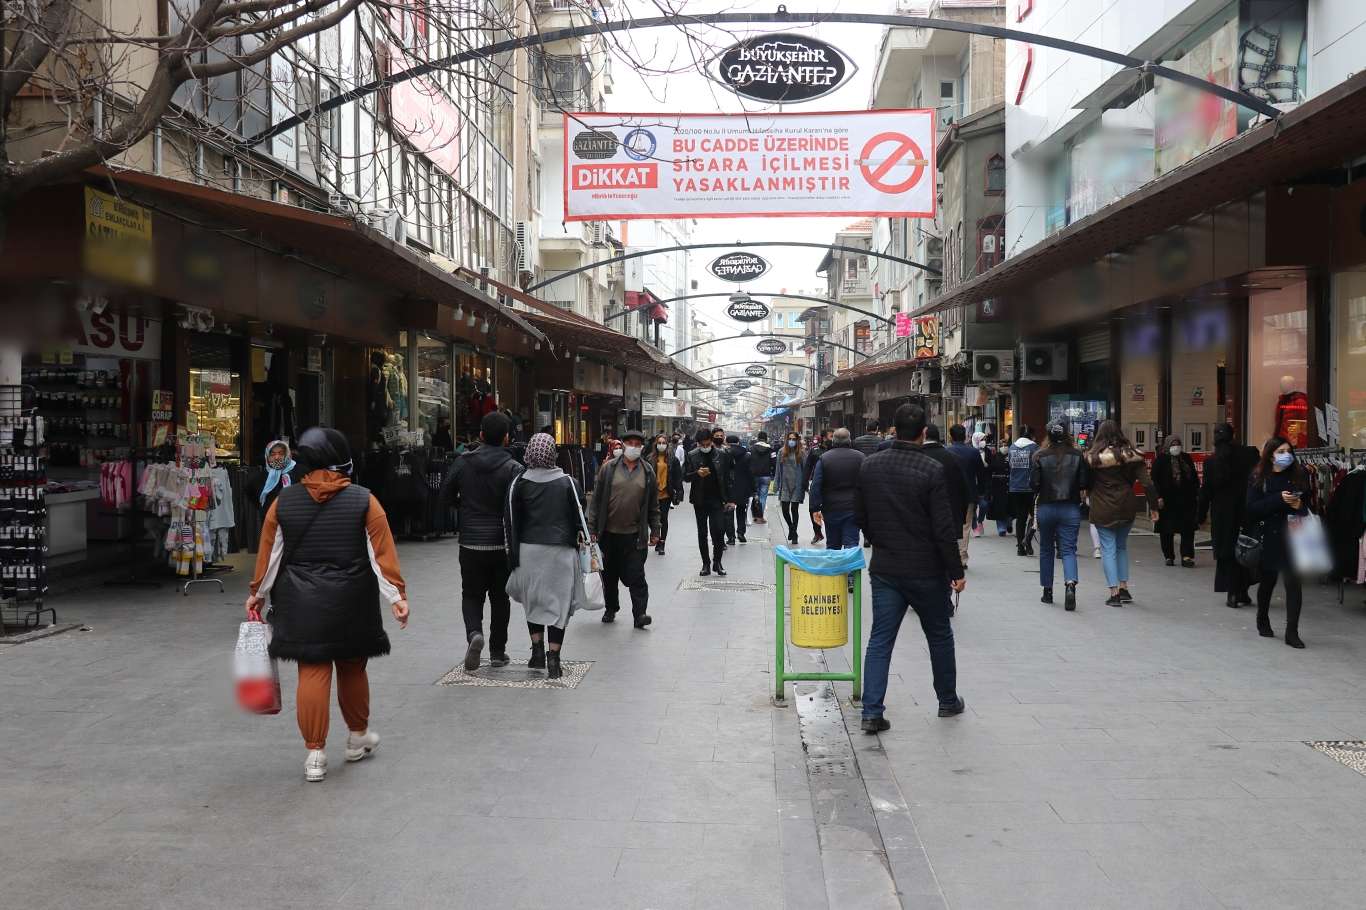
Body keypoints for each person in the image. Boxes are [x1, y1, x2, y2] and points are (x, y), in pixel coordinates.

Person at [246, 427, 409, 782]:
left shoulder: (283, 502)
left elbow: (270, 556)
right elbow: (380, 554)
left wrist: (257, 593)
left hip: (301, 602)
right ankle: (357, 736)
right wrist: (396, 597)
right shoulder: (364, 501)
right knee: (352, 666)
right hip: (352, 600)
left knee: (312, 671)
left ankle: (315, 754)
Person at [856, 402, 966, 733]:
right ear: (923, 432)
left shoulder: (869, 466)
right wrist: (956, 571)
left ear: (894, 429)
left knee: (880, 639)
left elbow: (861, 515)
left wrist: (878, 539)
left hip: (886, 567)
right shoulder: (931, 469)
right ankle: (947, 700)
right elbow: (943, 528)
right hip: (926, 569)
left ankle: (871, 712)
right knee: (939, 634)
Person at [441, 411, 524, 671]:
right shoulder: (513, 468)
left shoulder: (462, 462)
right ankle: (497, 652)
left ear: (480, 435)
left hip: (470, 542)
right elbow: (519, 506)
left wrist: (463, 507)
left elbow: (444, 495)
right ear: (507, 437)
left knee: (471, 594)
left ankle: (474, 633)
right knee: (500, 598)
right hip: (501, 544)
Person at [505, 433, 591, 678]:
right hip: (561, 553)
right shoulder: (569, 483)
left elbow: (511, 520)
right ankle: (554, 658)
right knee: (558, 605)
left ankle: (536, 652)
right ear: (553, 453)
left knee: (534, 601)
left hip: (529, 552)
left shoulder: (519, 483)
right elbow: (579, 517)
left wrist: (511, 556)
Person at [588, 429, 660, 628]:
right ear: (623, 444)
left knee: (636, 576)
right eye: (630, 443)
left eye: (637, 444)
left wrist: (655, 530)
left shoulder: (647, 471)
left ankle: (640, 614)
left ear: (642, 447)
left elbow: (653, 506)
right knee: (609, 576)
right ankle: (611, 608)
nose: (633, 447)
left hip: (635, 535)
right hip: (608, 534)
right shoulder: (608, 468)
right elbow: (596, 501)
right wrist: (592, 528)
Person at [1245, 437, 1310, 648]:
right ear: (1271, 455)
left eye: (1288, 451)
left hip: (1293, 536)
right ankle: (1262, 618)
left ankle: (1292, 631)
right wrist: (1278, 499)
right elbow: (1252, 509)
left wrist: (1299, 505)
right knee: (1268, 581)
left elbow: (1307, 506)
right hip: (1269, 536)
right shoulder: (1259, 477)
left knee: (1294, 584)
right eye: (1281, 451)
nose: (1286, 455)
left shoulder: (1299, 475)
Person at [1085, 421, 1158, 607]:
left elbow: (1085, 483)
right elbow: (1148, 483)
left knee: (1108, 549)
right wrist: (1154, 508)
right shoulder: (1132, 456)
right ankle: (1124, 587)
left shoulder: (1093, 458)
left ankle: (1114, 592)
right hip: (1127, 505)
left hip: (1102, 507)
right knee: (1121, 547)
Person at [1199, 423, 1259, 607]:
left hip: (1222, 514)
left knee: (1227, 552)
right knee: (1246, 549)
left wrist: (1200, 515)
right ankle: (1243, 590)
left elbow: (1206, 491)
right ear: (1233, 435)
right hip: (1246, 510)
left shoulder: (1211, 462)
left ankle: (1232, 592)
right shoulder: (1249, 455)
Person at [1031, 423, 1090, 610]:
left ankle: (1047, 591)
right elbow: (1084, 482)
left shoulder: (1039, 456)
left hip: (1046, 507)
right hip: (1070, 508)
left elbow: (1034, 484)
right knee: (1068, 550)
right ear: (1067, 435)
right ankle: (1070, 584)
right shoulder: (1077, 455)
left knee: (1046, 549)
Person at [684, 428, 735, 576]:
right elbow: (685, 476)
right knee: (702, 532)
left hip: (717, 499)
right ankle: (705, 563)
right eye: (702, 445)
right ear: (698, 443)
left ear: (712, 441)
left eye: (708, 444)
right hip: (699, 499)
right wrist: (697, 473)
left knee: (718, 530)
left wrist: (730, 499)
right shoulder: (692, 455)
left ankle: (717, 562)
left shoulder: (722, 454)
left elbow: (728, 477)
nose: (705, 447)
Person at [919, 425, 971, 563]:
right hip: (949, 514)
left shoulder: (914, 458)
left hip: (921, 516)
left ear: (923, 436)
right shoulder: (954, 458)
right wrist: (961, 515)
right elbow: (963, 489)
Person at [809, 427, 865, 549]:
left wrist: (815, 508)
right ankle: (851, 561)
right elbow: (867, 483)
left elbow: (816, 485)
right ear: (849, 440)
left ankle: (835, 561)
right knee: (851, 544)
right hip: (853, 507)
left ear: (833, 441)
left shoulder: (824, 458)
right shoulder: (860, 457)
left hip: (831, 508)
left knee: (833, 545)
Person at [1152, 434, 1201, 568]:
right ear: (1167, 445)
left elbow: (1193, 476)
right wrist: (1158, 497)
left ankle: (1187, 556)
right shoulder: (1161, 460)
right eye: (1173, 444)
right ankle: (1169, 556)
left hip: (1186, 500)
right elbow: (1154, 480)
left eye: (1178, 444)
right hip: (1167, 500)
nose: (1176, 447)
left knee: (1187, 529)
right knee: (1167, 530)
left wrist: (1196, 492)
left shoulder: (1186, 458)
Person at [947, 425, 989, 564]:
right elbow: (981, 475)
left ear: (951, 436)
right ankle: (962, 556)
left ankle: (953, 555)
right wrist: (981, 492)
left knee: (951, 524)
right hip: (969, 494)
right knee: (965, 525)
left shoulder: (947, 451)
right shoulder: (973, 452)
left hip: (950, 495)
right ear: (965, 436)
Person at [1008, 426, 1040, 556]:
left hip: (1015, 487)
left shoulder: (1012, 448)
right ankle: (1027, 540)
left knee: (1020, 518)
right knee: (1035, 517)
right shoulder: (1035, 448)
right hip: (1030, 488)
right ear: (1031, 435)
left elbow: (1010, 465)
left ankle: (1020, 548)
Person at [653, 433, 685, 556]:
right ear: (656, 444)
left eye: (663, 443)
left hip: (666, 493)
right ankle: (655, 538)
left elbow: (678, 477)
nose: (661, 445)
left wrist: (679, 492)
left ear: (667, 445)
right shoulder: (650, 458)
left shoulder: (672, 459)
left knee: (663, 518)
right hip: (652, 494)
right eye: (659, 443)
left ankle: (662, 543)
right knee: (652, 519)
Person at [255, 438, 301, 519]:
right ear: (267, 457)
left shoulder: (297, 473)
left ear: (287, 455)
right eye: (272, 454)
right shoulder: (263, 477)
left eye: (281, 453)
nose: (277, 457)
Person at [774, 431, 807, 545]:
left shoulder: (801, 453)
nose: (791, 441)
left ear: (797, 440)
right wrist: (776, 483)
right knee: (784, 509)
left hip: (797, 485)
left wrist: (805, 485)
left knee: (794, 509)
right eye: (790, 439)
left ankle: (794, 534)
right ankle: (791, 528)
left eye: (794, 439)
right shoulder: (781, 452)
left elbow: (805, 470)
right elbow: (778, 469)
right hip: (785, 484)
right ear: (787, 440)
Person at [724, 434, 754, 544]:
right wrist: (753, 489)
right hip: (743, 487)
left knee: (729, 512)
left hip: (729, 486)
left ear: (727, 442)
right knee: (741, 510)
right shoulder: (746, 455)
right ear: (738, 442)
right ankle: (741, 533)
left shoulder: (725, 454)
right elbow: (750, 473)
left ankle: (731, 537)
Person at [803, 430, 831, 543]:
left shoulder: (835, 450)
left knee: (828, 509)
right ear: (824, 438)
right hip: (817, 483)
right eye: (831, 436)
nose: (832, 438)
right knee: (813, 508)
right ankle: (817, 532)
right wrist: (805, 482)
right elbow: (808, 466)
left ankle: (831, 533)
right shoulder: (814, 450)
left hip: (831, 484)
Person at [988, 440, 1013, 536]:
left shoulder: (1011, 455)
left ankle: (1009, 523)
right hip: (998, 486)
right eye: (1002, 445)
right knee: (999, 507)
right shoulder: (995, 456)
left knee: (1010, 506)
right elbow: (991, 469)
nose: (1004, 446)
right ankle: (1001, 528)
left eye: (1005, 445)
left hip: (1009, 485)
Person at [749, 431, 774, 524]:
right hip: (766, 475)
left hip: (753, 476)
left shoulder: (751, 449)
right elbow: (774, 462)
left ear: (758, 438)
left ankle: (755, 516)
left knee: (755, 495)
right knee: (763, 497)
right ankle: (760, 517)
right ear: (766, 439)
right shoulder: (771, 450)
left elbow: (748, 461)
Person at [970, 431, 992, 536]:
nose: (984, 441)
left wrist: (987, 465)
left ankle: (980, 521)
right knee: (973, 507)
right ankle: (975, 527)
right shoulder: (971, 451)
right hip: (973, 483)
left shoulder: (987, 451)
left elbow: (992, 465)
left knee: (984, 505)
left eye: (985, 439)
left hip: (983, 483)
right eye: (982, 439)